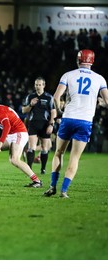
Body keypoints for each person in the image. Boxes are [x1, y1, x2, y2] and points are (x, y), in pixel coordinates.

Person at [44, 49, 108, 198]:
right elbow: (107, 102)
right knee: (75, 157)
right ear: (92, 61)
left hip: (68, 118)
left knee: (59, 153)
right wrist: (99, 103)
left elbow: (56, 96)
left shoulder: (68, 75)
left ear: (78, 60)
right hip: (85, 121)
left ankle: (52, 186)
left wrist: (60, 110)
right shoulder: (100, 78)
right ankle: (64, 190)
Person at [22, 77, 56, 174]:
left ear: (44, 85)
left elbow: (53, 111)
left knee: (45, 148)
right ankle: (29, 169)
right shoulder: (30, 96)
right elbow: (24, 110)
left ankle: (43, 169)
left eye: (40, 84)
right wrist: (31, 105)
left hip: (45, 124)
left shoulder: (49, 97)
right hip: (33, 123)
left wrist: (51, 124)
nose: (38, 86)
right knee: (31, 147)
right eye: (36, 84)